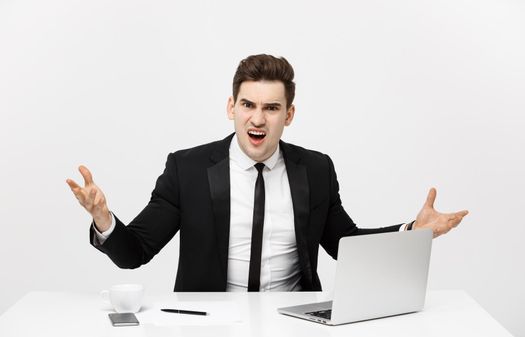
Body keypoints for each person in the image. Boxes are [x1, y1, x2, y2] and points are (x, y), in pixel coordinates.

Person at [66, 54, 468, 292]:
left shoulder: (316, 169)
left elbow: (346, 246)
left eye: (272, 108)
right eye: (248, 105)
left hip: (296, 323)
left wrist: (411, 230)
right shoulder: (186, 168)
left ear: (288, 115)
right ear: (231, 107)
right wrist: (103, 218)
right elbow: (134, 253)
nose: (257, 119)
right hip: (210, 328)